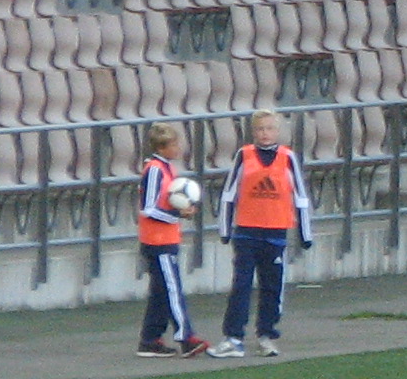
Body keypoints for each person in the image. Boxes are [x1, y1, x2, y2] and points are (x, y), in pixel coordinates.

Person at [211, 109, 313, 358]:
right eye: (260, 129)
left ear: (277, 131)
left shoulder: (288, 158)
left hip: (276, 232)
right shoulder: (244, 156)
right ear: (253, 131)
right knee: (241, 285)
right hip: (246, 232)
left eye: (269, 128)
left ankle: (266, 335)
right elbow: (229, 193)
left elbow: (300, 197)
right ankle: (233, 338)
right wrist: (225, 229)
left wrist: (305, 232)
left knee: (272, 287)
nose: (265, 134)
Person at [134, 122, 208, 358]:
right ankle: (186, 338)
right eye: (174, 144)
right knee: (172, 290)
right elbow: (148, 209)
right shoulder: (155, 169)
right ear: (162, 147)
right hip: (158, 241)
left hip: (165, 238)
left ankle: (150, 340)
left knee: (161, 293)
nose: (178, 148)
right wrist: (177, 214)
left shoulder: (166, 169)